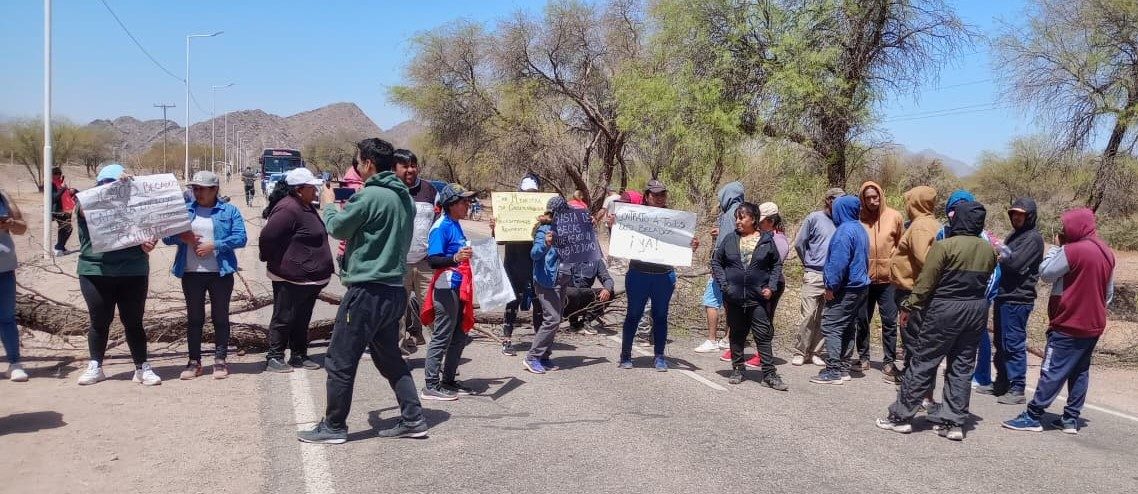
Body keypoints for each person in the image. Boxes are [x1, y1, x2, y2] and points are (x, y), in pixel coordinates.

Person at [297, 138, 426, 443]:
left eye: (358, 162)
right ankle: (413, 418)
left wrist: (329, 205)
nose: (357, 167)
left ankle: (334, 426)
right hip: (394, 291)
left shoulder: (369, 196)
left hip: (367, 291)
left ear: (368, 163)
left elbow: (338, 228)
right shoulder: (404, 198)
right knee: (389, 357)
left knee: (340, 359)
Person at [876, 200, 996, 441]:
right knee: (962, 365)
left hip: (945, 308)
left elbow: (926, 282)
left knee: (924, 360)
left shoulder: (944, 246)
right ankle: (953, 422)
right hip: (977, 310)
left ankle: (901, 417)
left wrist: (909, 305)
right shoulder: (989, 250)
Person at [1003, 208, 1115, 435]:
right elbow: (1108, 294)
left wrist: (1056, 248)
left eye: (1066, 226)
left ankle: (1033, 415)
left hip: (1068, 322)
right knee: (1080, 371)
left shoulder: (1072, 250)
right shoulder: (1107, 252)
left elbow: (1045, 273)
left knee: (1052, 369)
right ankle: (1070, 418)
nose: (1063, 231)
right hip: (1093, 324)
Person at [74, 164, 162, 387]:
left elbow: (151, 231)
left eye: (115, 184)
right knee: (99, 321)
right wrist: (114, 190)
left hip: (133, 271)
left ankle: (141, 367)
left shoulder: (137, 205)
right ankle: (95, 366)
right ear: (99, 185)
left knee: (133, 321)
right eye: (107, 184)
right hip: (95, 272)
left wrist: (150, 243)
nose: (112, 187)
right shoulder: (86, 202)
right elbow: (85, 209)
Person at [163, 171, 248, 380]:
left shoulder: (229, 211)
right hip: (191, 273)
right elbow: (167, 238)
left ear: (214, 189)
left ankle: (220, 360)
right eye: (195, 188)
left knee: (220, 317)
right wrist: (183, 237)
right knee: (194, 319)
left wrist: (215, 245)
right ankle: (194, 362)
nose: (197, 192)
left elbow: (241, 238)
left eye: (202, 189)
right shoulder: (185, 211)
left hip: (220, 273)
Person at [618, 179, 700, 371]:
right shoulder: (634, 216)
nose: (659, 198)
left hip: (664, 276)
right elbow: (620, 234)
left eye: (662, 194)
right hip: (638, 274)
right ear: (647, 196)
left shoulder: (676, 220)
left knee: (661, 316)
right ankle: (625, 355)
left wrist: (691, 245)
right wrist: (614, 223)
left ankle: (660, 356)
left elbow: (682, 245)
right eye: (655, 194)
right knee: (633, 314)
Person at [259, 168, 334, 373]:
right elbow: (268, 237)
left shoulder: (306, 206)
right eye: (311, 188)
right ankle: (275, 356)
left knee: (302, 318)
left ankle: (299, 354)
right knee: (283, 317)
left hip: (309, 279)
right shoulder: (288, 208)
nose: (315, 191)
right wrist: (272, 260)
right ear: (299, 190)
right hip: (290, 278)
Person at [711, 202, 787, 389]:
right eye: (736, 218)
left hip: (757, 298)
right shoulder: (730, 239)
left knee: (763, 334)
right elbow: (716, 262)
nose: (738, 221)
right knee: (736, 334)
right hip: (734, 297)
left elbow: (776, 264)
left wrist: (771, 287)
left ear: (753, 219)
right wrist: (724, 285)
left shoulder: (766, 240)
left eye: (742, 217)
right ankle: (738, 368)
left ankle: (769, 374)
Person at [420, 184, 478, 399]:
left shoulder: (455, 224)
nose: (468, 205)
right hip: (446, 287)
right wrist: (455, 258)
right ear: (452, 204)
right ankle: (431, 385)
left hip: (459, 286)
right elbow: (433, 260)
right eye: (464, 201)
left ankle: (449, 380)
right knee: (442, 335)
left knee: (460, 335)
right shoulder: (441, 226)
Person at [810, 195, 870, 385]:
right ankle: (844, 367)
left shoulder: (844, 231)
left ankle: (833, 370)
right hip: (860, 287)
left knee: (832, 325)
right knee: (848, 326)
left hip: (846, 287)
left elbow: (838, 263)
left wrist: (831, 286)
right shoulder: (860, 229)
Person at [991, 198, 1044, 405]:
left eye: (1021, 215)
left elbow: (1014, 264)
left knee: (1013, 343)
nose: (1016, 218)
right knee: (1000, 342)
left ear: (1029, 216)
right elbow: (1007, 258)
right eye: (1014, 214)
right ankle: (1002, 381)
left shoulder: (1033, 239)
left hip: (1018, 298)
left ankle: (1017, 387)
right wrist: (1002, 254)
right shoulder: (1015, 235)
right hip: (1004, 295)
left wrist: (1000, 254)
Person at [887, 186, 939, 385]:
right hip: (916, 291)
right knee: (915, 337)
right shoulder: (931, 223)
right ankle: (913, 376)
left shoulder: (920, 227)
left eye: (909, 201)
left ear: (916, 203)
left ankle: (913, 380)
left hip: (912, 292)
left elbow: (925, 261)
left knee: (912, 337)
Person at [855, 181, 904, 374]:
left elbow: (901, 245)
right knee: (862, 320)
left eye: (875, 197)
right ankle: (863, 358)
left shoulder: (894, 216)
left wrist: (895, 266)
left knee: (889, 322)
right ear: (863, 199)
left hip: (888, 280)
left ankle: (889, 361)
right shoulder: (858, 218)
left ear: (881, 196)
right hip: (864, 279)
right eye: (867, 198)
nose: (872, 201)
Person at [394, 149, 440, 353]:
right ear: (394, 168)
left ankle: (436, 356)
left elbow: (439, 223)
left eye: (413, 165)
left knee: (431, 310)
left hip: (425, 263)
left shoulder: (430, 191)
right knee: (396, 314)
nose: (410, 170)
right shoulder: (391, 191)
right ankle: (397, 355)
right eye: (405, 166)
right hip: (398, 264)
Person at [792, 188, 843, 367]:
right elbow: (799, 243)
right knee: (808, 315)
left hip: (834, 277)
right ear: (829, 200)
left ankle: (815, 352)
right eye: (837, 200)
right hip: (814, 274)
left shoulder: (842, 221)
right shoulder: (814, 218)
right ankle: (800, 351)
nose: (840, 203)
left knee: (825, 316)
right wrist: (808, 262)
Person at [495, 174, 544, 356]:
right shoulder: (509, 210)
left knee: (538, 302)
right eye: (527, 192)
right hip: (513, 263)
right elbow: (500, 240)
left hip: (535, 264)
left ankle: (539, 343)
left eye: (533, 193)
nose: (530, 195)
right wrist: (495, 228)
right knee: (512, 301)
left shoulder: (542, 212)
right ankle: (507, 340)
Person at [695, 181, 744, 354]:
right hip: (737, 267)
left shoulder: (730, 214)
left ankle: (712, 339)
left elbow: (726, 243)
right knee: (731, 302)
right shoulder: (743, 213)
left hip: (724, 266)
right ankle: (728, 338)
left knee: (711, 300)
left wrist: (717, 266)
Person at [524, 199, 569, 374]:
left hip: (561, 279)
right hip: (546, 281)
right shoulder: (544, 230)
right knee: (552, 319)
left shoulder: (566, 229)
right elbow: (534, 254)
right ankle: (532, 357)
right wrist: (546, 243)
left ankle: (544, 356)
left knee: (556, 320)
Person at [1, 186, 29, 382]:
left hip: (4, 269)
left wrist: (10, 223)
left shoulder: (3, 196)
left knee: (6, 318)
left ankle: (15, 364)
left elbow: (21, 228)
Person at [563, 257, 614, 334]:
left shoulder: (596, 261)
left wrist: (607, 289)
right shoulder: (569, 257)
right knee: (573, 293)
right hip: (567, 296)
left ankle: (585, 322)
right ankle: (573, 323)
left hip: (585, 294)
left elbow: (607, 278)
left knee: (610, 293)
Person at [50, 167, 77, 256]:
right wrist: (63, 189)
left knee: (63, 229)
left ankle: (61, 247)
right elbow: (54, 198)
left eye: (59, 173)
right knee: (68, 228)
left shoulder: (60, 182)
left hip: (66, 209)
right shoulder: (51, 184)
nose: (58, 175)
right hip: (58, 210)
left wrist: (71, 191)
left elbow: (64, 195)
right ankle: (58, 247)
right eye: (55, 173)